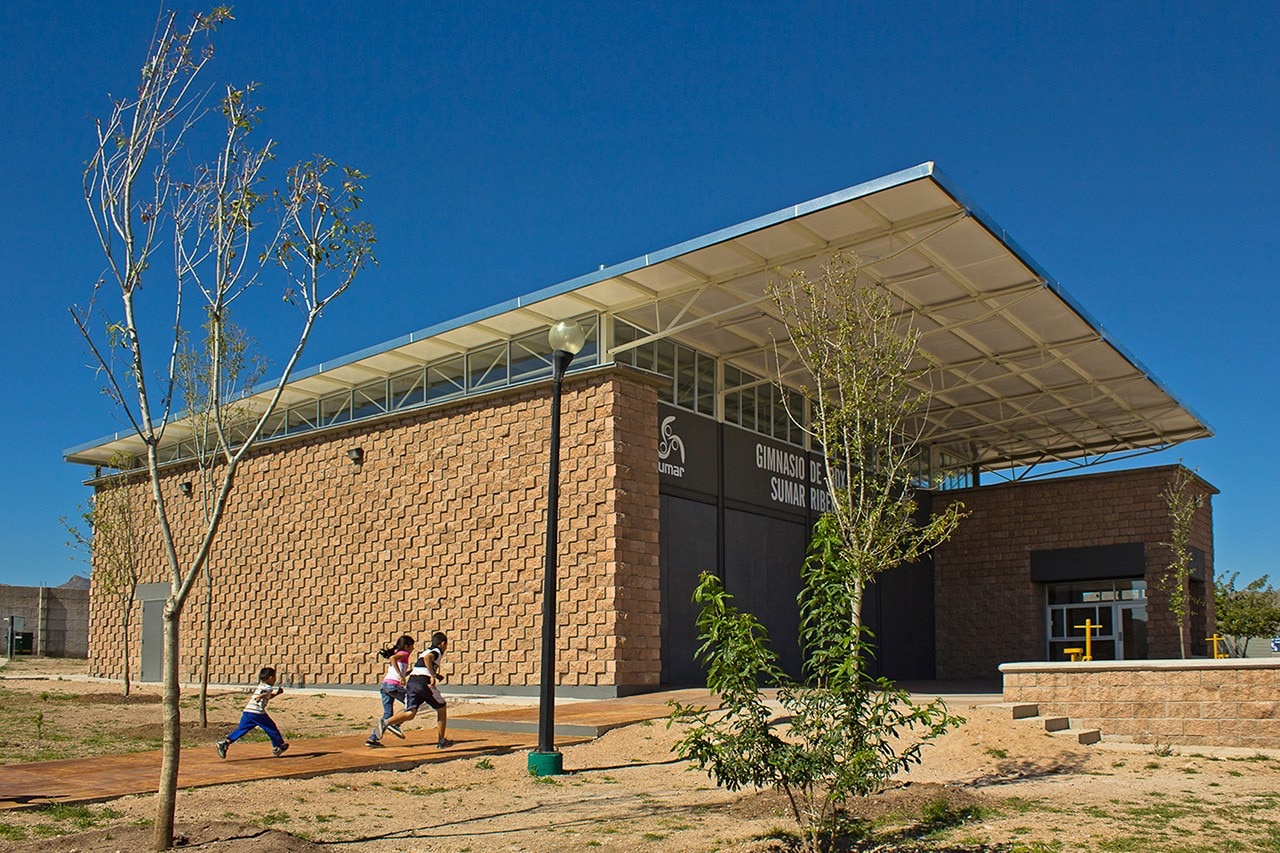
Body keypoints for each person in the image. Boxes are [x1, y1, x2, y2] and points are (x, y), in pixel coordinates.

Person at [380, 631, 452, 748]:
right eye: (446, 645)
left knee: (411, 712)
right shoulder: (437, 651)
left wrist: (436, 674)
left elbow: (420, 666)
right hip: (423, 683)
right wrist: (432, 676)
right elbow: (428, 659)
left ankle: (386, 722)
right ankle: (441, 741)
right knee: (442, 708)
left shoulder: (425, 651)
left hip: (412, 683)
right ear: (443, 643)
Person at [216, 666, 289, 758]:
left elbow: (268, 696)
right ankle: (279, 746)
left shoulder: (261, 685)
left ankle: (225, 743)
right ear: (270, 678)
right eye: (274, 677)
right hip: (257, 713)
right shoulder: (268, 687)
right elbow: (266, 693)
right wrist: (260, 696)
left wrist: (276, 693)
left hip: (248, 711)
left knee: (242, 729)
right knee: (271, 727)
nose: (275, 679)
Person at [366, 634, 415, 747]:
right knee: (412, 704)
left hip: (385, 686)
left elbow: (397, 668)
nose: (413, 649)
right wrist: (401, 676)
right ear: (406, 646)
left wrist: (409, 672)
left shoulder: (399, 654)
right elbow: (392, 659)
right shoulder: (404, 654)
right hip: (394, 685)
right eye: (412, 646)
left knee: (388, 714)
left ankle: (372, 739)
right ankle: (396, 724)